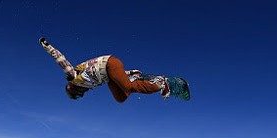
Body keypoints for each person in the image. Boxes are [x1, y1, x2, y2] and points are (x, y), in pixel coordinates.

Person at [39, 37, 190, 102]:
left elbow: (60, 59)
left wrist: (47, 46)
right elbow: (113, 77)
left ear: (72, 89)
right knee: (121, 97)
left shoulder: (73, 77)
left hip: (109, 63)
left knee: (128, 87)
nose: (81, 96)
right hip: (110, 74)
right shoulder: (89, 85)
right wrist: (129, 73)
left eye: (77, 96)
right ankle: (135, 79)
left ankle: (162, 83)